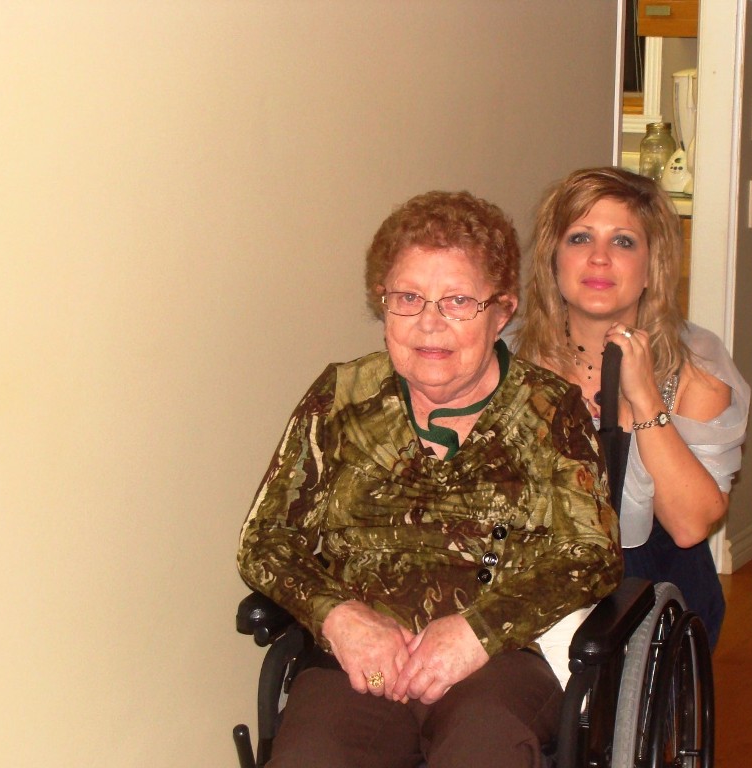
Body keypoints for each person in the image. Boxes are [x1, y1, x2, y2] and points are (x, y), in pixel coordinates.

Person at [237, 190, 622, 768]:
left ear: (502, 312)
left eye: (458, 301)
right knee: (310, 756)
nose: (429, 323)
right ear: (383, 303)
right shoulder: (341, 397)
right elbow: (265, 540)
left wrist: (477, 632)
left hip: (501, 659)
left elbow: (591, 553)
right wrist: (339, 617)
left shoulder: (548, 409)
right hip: (360, 662)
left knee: (482, 748)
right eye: (408, 298)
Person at [515, 167, 750, 651]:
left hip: (653, 604)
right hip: (532, 589)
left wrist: (643, 399)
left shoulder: (697, 368)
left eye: (622, 241)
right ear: (553, 260)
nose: (599, 257)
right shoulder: (509, 359)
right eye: (580, 237)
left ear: (651, 267)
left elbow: (690, 526)